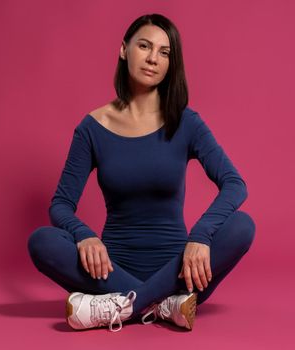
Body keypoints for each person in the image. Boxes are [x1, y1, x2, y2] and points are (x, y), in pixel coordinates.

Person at [27, 13, 256, 332]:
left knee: (242, 226)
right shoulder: (93, 128)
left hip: (180, 271)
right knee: (42, 241)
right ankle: (164, 305)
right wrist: (85, 236)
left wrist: (201, 236)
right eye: (145, 46)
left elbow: (235, 185)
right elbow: (61, 205)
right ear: (124, 49)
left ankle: (120, 306)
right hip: (109, 270)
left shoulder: (186, 123)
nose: (153, 58)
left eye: (164, 52)